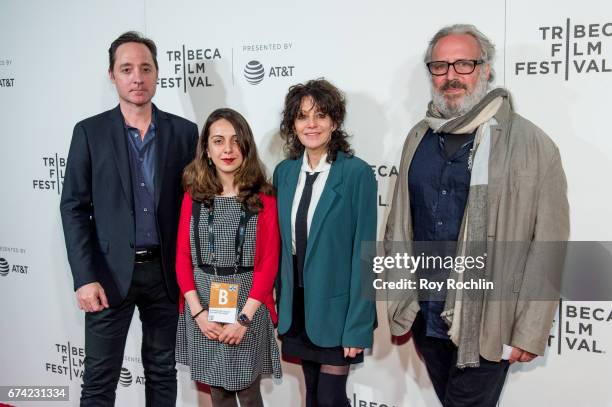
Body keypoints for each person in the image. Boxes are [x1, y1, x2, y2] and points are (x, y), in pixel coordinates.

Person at [384, 24, 569, 406]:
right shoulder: (418, 137)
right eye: (440, 66)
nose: (451, 75)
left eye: (463, 64)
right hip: (426, 315)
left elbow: (549, 244)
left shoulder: (531, 144)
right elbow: (400, 223)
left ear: (486, 70)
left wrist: (530, 330)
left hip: (488, 321)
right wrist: (401, 299)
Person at [60, 31, 198, 406]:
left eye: (145, 68)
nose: (137, 77)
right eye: (127, 69)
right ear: (112, 75)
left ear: (156, 74)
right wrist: (85, 277)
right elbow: (73, 207)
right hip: (106, 276)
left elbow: (195, 206)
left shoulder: (184, 133)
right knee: (100, 380)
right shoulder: (90, 132)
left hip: (165, 275)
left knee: (161, 372)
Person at [273, 79, 377, 407]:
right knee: (313, 396)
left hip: (338, 312)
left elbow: (366, 254)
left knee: (331, 399)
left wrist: (358, 327)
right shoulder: (284, 173)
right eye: (303, 117)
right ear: (293, 124)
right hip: (298, 309)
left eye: (320, 115)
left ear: (335, 121)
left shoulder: (356, 173)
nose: (312, 124)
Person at [175, 108, 282, 407]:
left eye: (235, 141)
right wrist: (199, 314)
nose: (228, 149)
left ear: (246, 147)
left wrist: (244, 319)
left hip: (249, 305)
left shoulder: (264, 197)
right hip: (204, 307)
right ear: (207, 150)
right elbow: (183, 258)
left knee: (248, 395)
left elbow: (269, 263)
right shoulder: (193, 195)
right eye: (219, 141)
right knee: (217, 395)